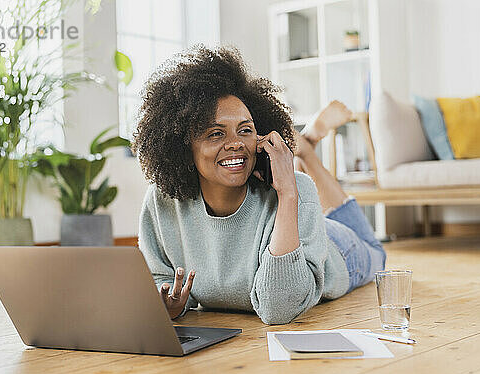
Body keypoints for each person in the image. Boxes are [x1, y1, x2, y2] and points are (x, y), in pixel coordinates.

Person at [132, 46, 385, 325]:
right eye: (216, 133)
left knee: (378, 252)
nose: (236, 143)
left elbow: (280, 308)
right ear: (183, 145)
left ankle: (307, 152)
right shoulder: (162, 199)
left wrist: (288, 192)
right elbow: (160, 279)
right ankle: (305, 144)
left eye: (245, 130)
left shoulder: (295, 191)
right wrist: (169, 303)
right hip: (301, 222)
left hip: (337, 250)